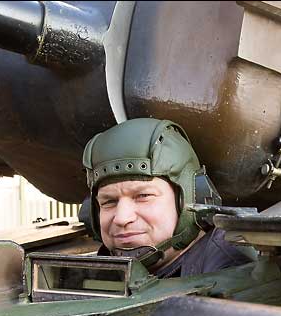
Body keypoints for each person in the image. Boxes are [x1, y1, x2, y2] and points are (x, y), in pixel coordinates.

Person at [82, 118, 252, 278]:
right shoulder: (93, 272)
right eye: (109, 202)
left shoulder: (228, 269)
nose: (122, 218)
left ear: (191, 200)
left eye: (143, 196)